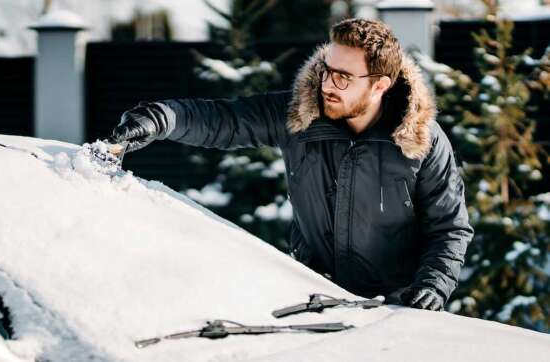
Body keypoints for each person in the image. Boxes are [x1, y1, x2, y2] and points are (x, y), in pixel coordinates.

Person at [110, 18, 474, 311]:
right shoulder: (301, 115)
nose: (327, 84)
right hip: (315, 301)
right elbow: (224, 120)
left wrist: (433, 286)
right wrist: (160, 119)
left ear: (380, 86)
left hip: (395, 312)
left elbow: (450, 228)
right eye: (326, 70)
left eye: (343, 77)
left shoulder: (421, 141)